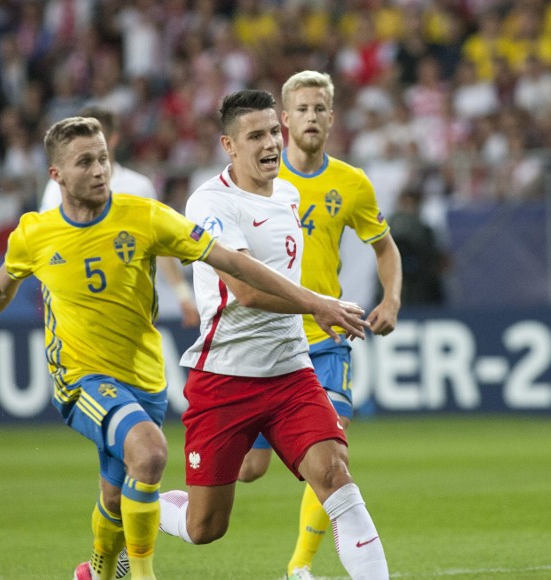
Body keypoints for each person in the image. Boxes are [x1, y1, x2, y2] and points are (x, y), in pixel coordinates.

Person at [0, 116, 368, 580]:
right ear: (57, 176)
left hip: (144, 376)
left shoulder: (145, 215)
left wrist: (312, 300)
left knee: (115, 498)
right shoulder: (34, 233)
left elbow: (227, 259)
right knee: (150, 453)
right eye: (85, 162)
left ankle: (99, 571)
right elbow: (1, 286)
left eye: (103, 158)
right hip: (81, 377)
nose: (99, 170)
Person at [154, 89, 390, 580]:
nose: (270, 144)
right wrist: (317, 303)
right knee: (204, 528)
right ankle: (138, 506)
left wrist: (314, 309)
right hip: (224, 378)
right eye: (255, 135)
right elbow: (245, 289)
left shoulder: (286, 193)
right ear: (229, 145)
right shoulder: (209, 202)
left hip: (289, 371)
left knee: (335, 477)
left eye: (273, 133)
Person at [236, 70, 402, 579]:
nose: (311, 117)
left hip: (326, 338)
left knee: (332, 453)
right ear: (283, 120)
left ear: (332, 117)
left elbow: (385, 247)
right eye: (301, 109)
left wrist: (391, 299)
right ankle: (145, 510)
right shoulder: (257, 179)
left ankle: (299, 567)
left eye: (319, 109)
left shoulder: (351, 184)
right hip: (265, 339)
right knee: (246, 470)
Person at [40, 105, 200, 328]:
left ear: (113, 139)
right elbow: (49, 244)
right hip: (82, 307)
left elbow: (159, 243)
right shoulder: (58, 185)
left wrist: (183, 294)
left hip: (134, 305)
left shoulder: (138, 187)